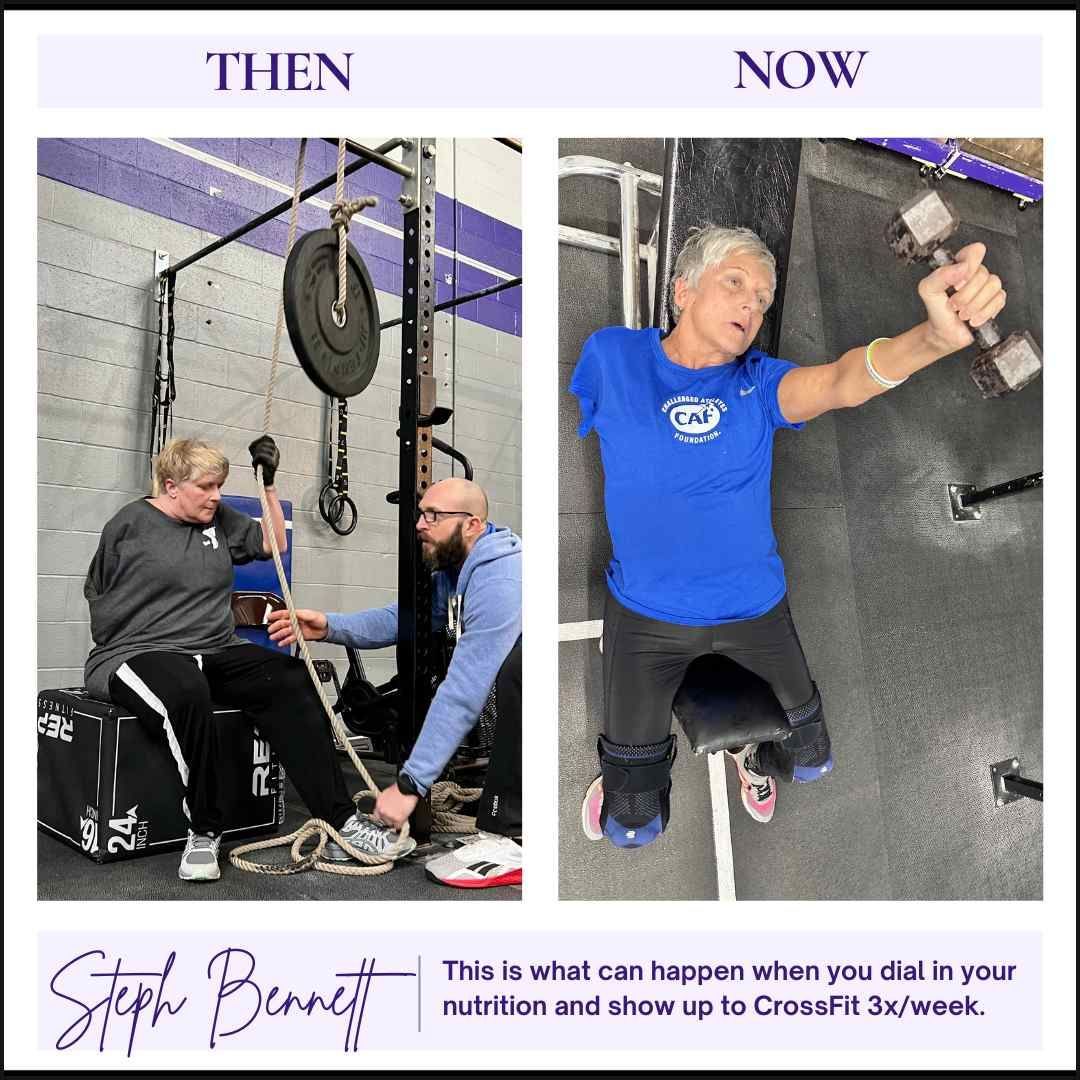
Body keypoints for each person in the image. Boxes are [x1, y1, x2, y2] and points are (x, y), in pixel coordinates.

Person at [571, 223, 1008, 848]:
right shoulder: (611, 357)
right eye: (736, 283)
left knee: (813, 755)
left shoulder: (760, 383)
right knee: (632, 823)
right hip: (647, 615)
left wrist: (934, 340)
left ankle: (756, 759)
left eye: (764, 299)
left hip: (756, 611)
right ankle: (636, 786)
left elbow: (840, 381)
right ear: (682, 290)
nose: (752, 305)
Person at [83, 436, 399, 883]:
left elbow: (273, 543)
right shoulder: (130, 524)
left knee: (289, 677)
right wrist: (144, 630)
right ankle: (205, 830)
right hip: (138, 652)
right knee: (185, 690)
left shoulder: (218, 520)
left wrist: (267, 485)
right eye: (206, 487)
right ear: (171, 486)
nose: (216, 496)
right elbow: (98, 591)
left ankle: (341, 819)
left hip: (216, 648)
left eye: (220, 486)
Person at [268, 477, 523, 888]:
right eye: (422, 513)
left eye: (434, 516)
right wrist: (329, 626)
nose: (421, 524)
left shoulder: (501, 580)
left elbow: (462, 692)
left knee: (518, 674)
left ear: (473, 524)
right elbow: (402, 620)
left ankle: (513, 838)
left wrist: (409, 786)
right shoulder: (455, 569)